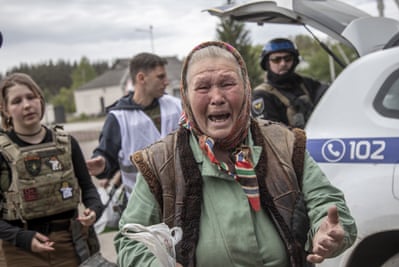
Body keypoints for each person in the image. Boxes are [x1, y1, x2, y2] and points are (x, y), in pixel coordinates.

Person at [114, 41, 357, 267]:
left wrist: (327, 231)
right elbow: (130, 240)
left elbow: (326, 203)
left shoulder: (285, 143)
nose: (217, 98)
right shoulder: (160, 162)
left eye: (228, 84)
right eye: (203, 87)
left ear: (246, 88)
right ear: (186, 95)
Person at [0, 73, 104, 266]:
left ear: (40, 99)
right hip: (19, 251)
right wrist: (22, 238)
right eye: (16, 101)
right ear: (5, 110)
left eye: (31, 97)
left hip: (70, 244)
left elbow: (88, 188)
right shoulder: (2, 152)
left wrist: (94, 210)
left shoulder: (67, 143)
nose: (27, 105)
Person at [86, 52, 182, 199]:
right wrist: (102, 166)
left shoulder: (176, 106)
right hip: (142, 209)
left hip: (181, 199)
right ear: (141, 78)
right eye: (160, 77)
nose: (167, 82)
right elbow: (106, 158)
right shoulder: (118, 118)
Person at [252, 38, 328, 129]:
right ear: (267, 63)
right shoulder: (262, 95)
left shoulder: (307, 84)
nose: (283, 63)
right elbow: (269, 134)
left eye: (287, 59)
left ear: (295, 61)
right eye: (276, 60)